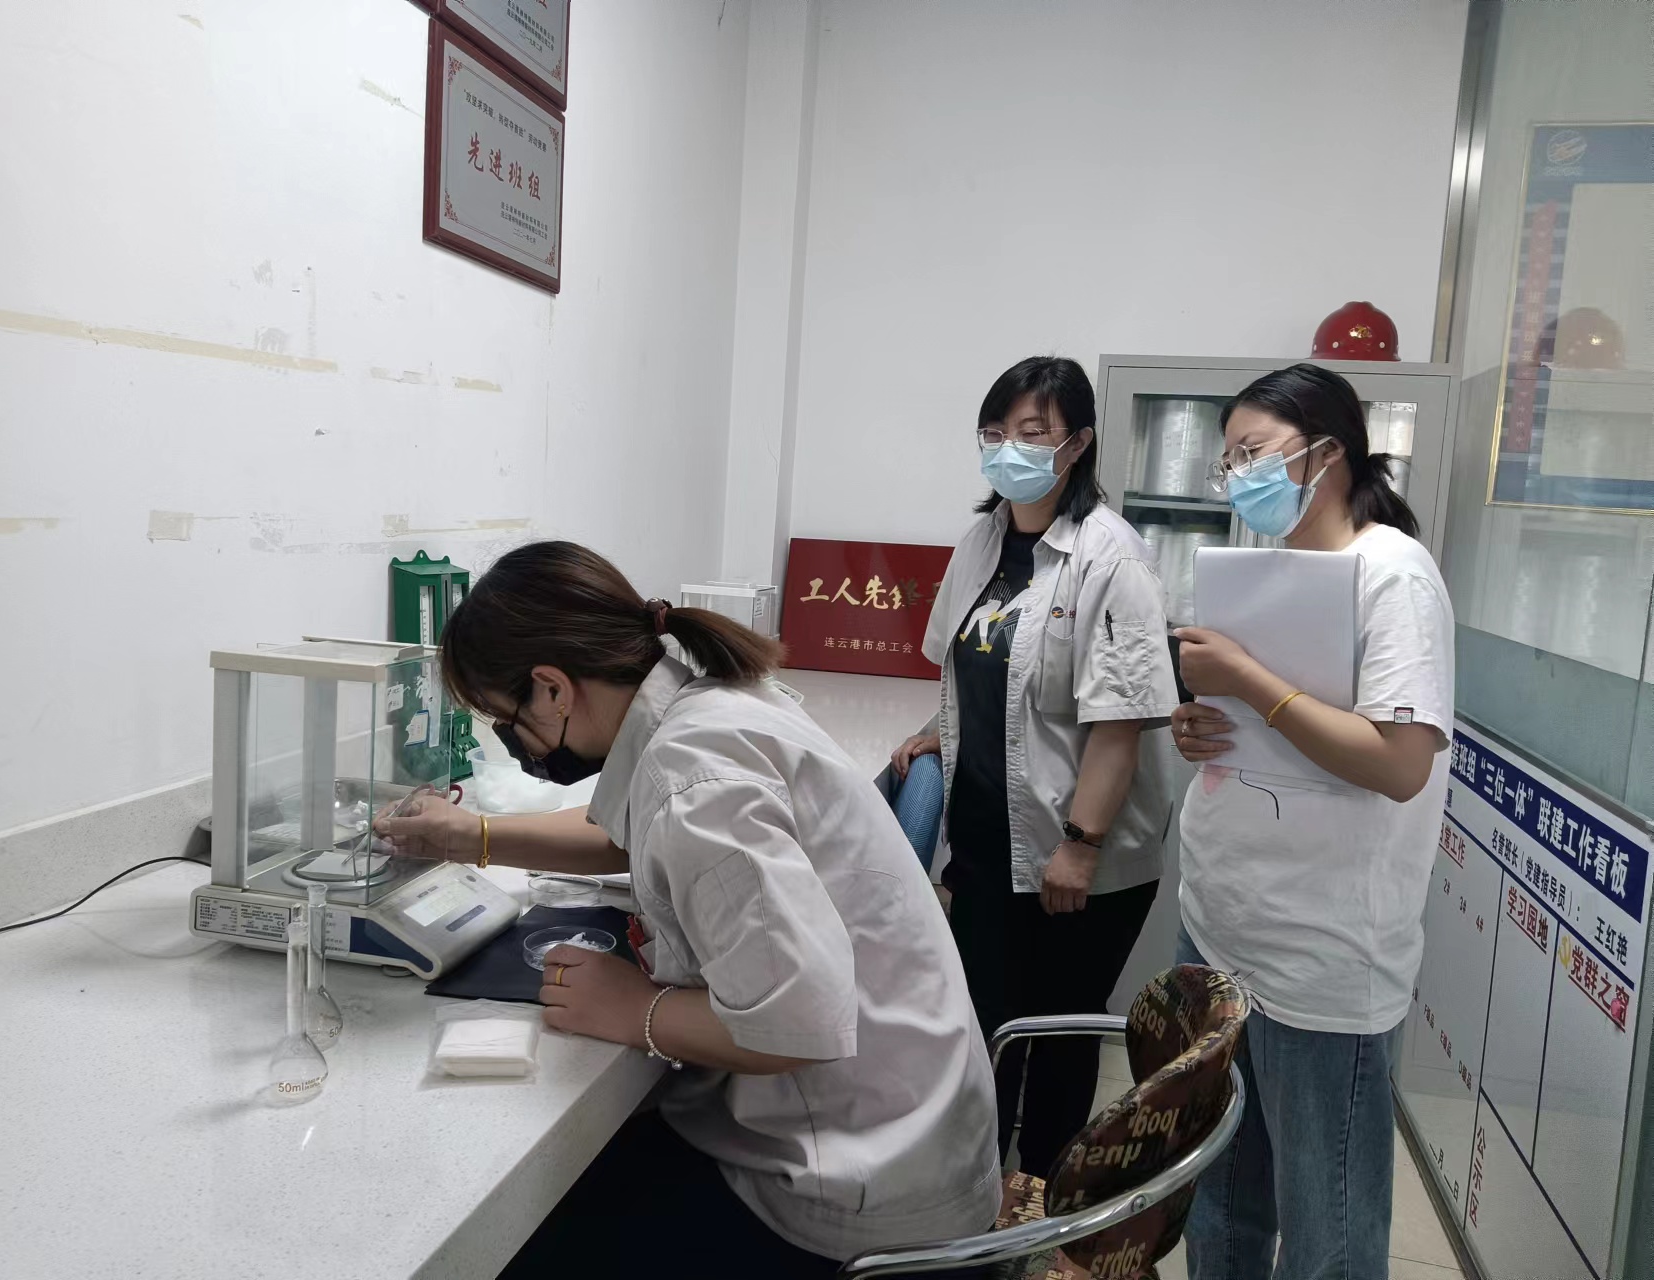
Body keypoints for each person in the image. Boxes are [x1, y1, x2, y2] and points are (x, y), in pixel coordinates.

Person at [381, 541, 1001, 1277]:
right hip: (909, 1114)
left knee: (523, 1243)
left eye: (503, 719)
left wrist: (635, 1009)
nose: (513, 743)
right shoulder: (702, 702)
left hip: (857, 1188)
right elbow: (629, 828)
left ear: (551, 688)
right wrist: (475, 835)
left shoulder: (694, 773)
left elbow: (799, 1021)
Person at [1170, 363, 1454, 1280]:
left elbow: (1399, 765)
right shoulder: (1271, 567)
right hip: (1223, 924)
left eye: (1253, 453)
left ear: (1328, 451)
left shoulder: (1393, 575)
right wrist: (1199, 725)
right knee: (1219, 1193)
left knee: (1326, 1226)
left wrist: (1248, 680)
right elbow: (1263, 730)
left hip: (1322, 953)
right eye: (1228, 460)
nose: (1238, 475)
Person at [891, 355, 1178, 1178]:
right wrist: (937, 732)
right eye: (994, 432)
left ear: (1077, 444)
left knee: (1056, 1038)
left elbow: (1120, 724)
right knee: (987, 1030)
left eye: (1029, 432)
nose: (1006, 448)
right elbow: (974, 666)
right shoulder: (981, 541)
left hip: (1074, 858)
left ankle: (1047, 1202)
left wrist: (1080, 846)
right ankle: (977, 1195)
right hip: (988, 848)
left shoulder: (1110, 558)